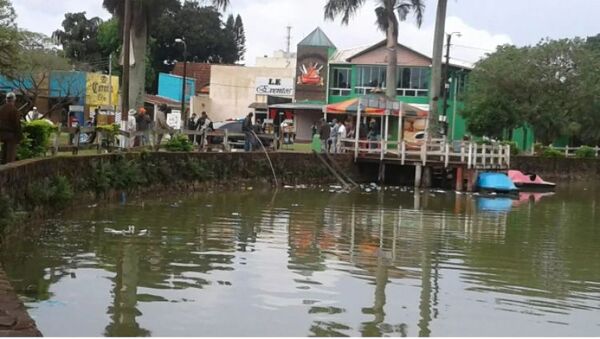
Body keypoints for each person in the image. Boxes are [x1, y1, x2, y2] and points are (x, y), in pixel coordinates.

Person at [0, 92, 22, 164]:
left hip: (2, 134)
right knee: (10, 157)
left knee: (4, 154)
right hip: (11, 135)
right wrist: (19, 137)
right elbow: (17, 125)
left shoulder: (1, 109)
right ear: (14, 100)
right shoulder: (14, 110)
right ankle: (9, 172)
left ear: (6, 99)